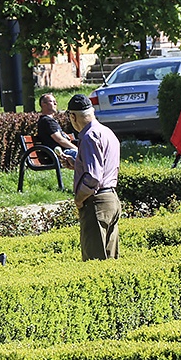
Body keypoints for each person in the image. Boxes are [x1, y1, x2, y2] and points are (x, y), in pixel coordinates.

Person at [60, 94, 121, 261]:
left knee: (94, 262)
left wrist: (79, 199)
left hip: (96, 202)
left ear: (72, 117)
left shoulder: (88, 137)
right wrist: (77, 164)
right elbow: (103, 166)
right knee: (111, 260)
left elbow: (93, 177)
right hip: (112, 199)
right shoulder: (106, 132)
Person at [37, 93, 77, 159]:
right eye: (52, 101)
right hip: (58, 154)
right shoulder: (47, 121)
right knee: (85, 156)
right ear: (43, 104)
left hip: (60, 152)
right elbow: (60, 140)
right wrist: (77, 149)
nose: (55, 104)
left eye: (55, 102)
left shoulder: (48, 120)